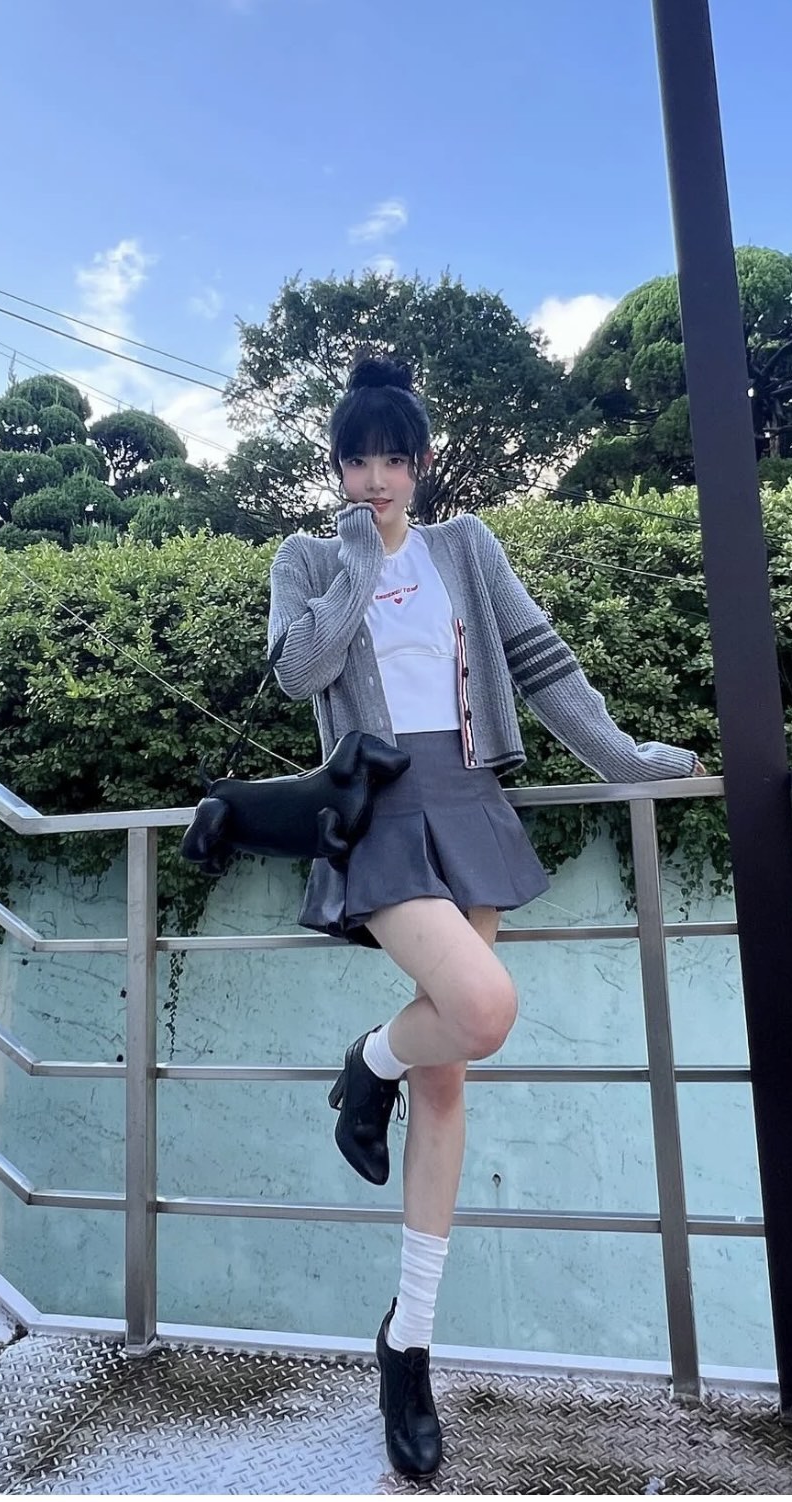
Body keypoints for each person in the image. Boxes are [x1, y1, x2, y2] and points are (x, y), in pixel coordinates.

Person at [267, 354, 705, 1479]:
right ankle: (369, 1061)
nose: (375, 479)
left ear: (420, 462)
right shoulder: (309, 556)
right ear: (337, 468)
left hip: (468, 802)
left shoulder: (466, 546)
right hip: (379, 809)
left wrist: (622, 759)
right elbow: (299, 671)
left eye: (392, 459)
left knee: (449, 1077)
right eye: (356, 461)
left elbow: (541, 662)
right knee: (481, 1008)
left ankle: (408, 1341)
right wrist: (358, 561)